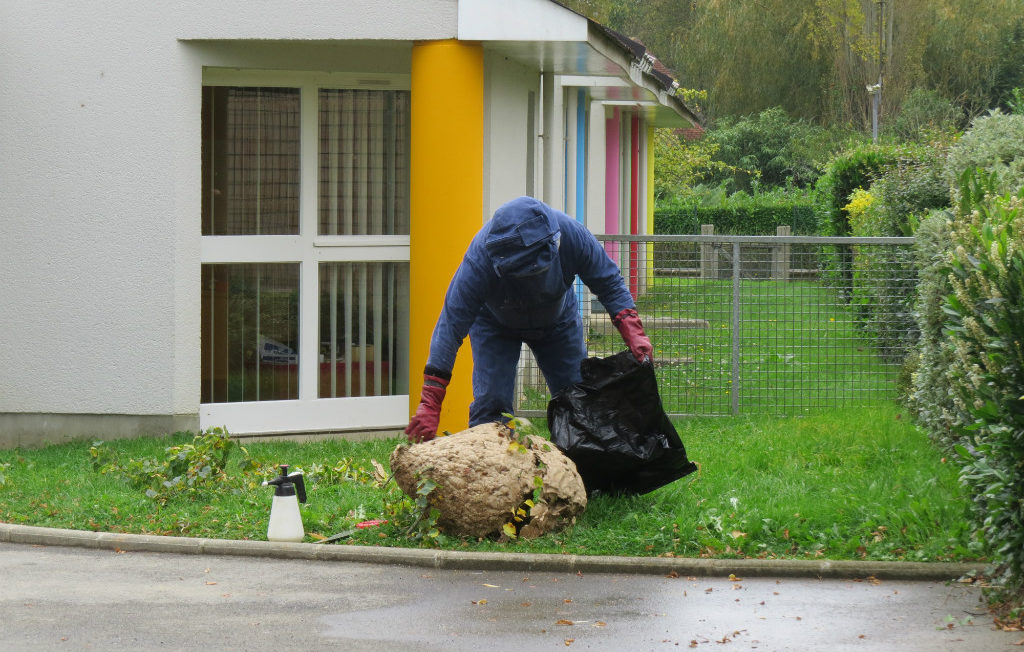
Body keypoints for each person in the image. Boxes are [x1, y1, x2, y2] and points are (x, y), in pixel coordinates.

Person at [406, 196, 653, 443]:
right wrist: (430, 401)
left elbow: (608, 282)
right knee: (491, 405)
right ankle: (494, 475)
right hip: (494, 326)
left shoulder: (572, 235)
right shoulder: (479, 259)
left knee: (576, 400)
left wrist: (634, 333)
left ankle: (579, 474)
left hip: (558, 324)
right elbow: (450, 326)